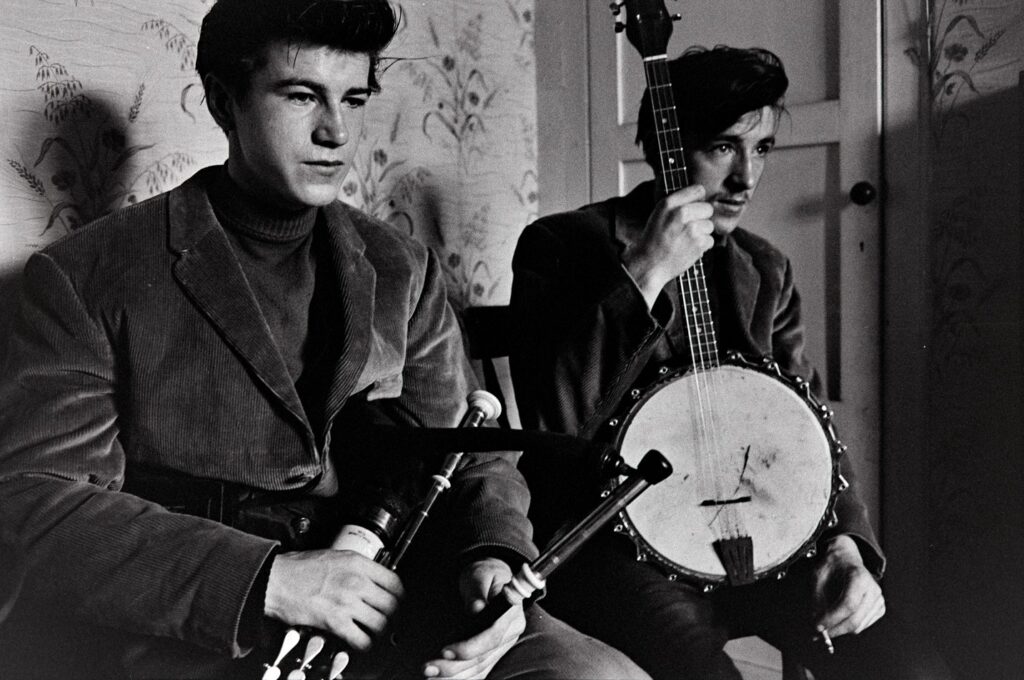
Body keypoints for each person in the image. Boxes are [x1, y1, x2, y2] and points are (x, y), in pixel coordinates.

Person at [0, 2, 649, 679]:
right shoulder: (86, 274)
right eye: (301, 95)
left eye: (354, 99)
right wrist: (269, 580)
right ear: (224, 102)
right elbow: (37, 502)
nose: (336, 131)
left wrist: (492, 558)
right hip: (209, 623)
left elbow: (473, 455)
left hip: (398, 586)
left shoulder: (402, 266)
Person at [509, 45, 954, 680]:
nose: (746, 177)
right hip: (614, 545)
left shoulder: (764, 268)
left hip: (758, 534)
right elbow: (557, 421)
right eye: (723, 147)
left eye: (762, 148)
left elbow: (810, 427)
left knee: (912, 667)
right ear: (667, 148)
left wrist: (846, 546)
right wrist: (644, 274)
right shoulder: (560, 244)